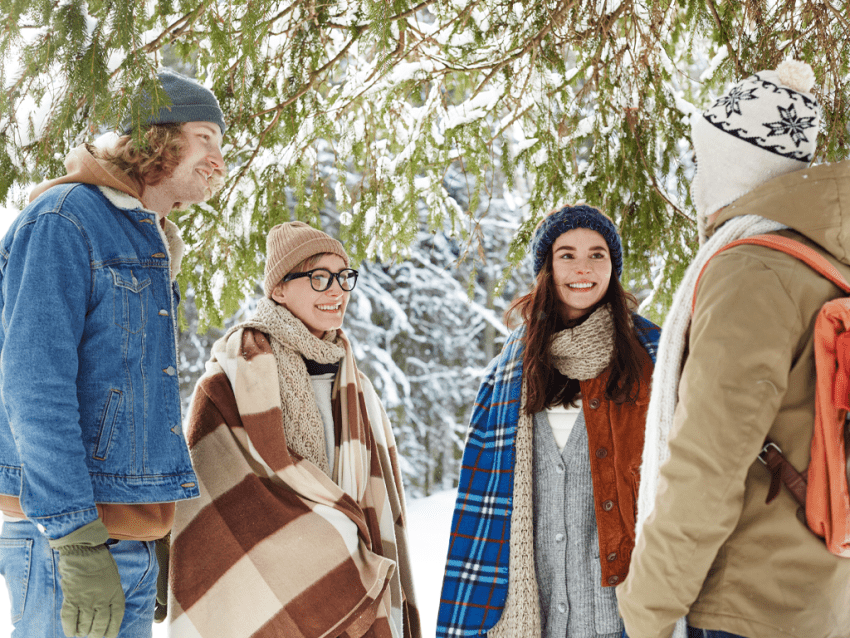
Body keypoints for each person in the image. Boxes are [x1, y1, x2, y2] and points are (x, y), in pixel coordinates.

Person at [617, 60, 850, 638]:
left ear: (733, 167)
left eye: (703, 161)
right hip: (821, 599)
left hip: (747, 606)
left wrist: (645, 612)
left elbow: (709, 460)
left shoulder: (751, 270)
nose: (697, 181)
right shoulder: (828, 262)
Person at [0, 68, 226, 638]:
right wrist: (76, 538)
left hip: (127, 540)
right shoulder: (65, 219)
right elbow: (34, 386)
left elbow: (128, 394)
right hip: (65, 541)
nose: (218, 160)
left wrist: (153, 525)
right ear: (158, 137)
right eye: (206, 138)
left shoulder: (145, 239)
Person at [167, 221, 421, 638]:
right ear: (279, 288)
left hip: (357, 590)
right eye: (318, 278)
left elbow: (376, 502)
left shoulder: (356, 384)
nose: (337, 291)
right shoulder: (231, 379)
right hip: (271, 591)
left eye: (343, 277)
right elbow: (214, 504)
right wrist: (328, 534)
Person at [437, 205, 660, 638]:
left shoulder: (651, 355)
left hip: (625, 614)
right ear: (546, 267)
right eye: (567, 255)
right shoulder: (511, 369)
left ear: (612, 268)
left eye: (598, 255)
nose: (584, 268)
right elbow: (485, 494)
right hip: (536, 615)